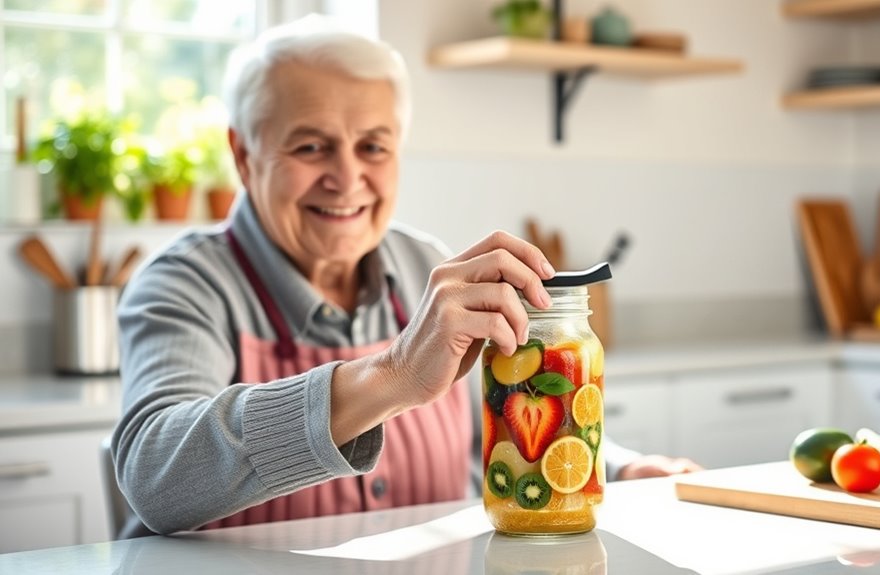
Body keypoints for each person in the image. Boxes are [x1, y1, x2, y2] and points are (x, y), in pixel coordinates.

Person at [111, 15, 700, 538]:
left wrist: (620, 467)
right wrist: (392, 376)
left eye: (373, 147)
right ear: (243, 155)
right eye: (312, 147)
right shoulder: (183, 285)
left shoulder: (427, 265)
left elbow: (506, 417)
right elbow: (156, 476)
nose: (347, 178)